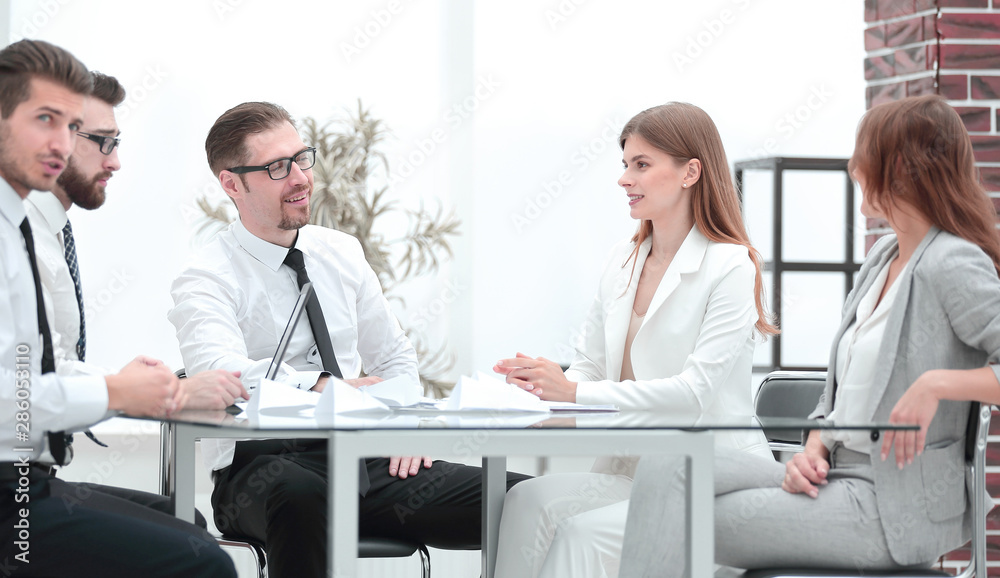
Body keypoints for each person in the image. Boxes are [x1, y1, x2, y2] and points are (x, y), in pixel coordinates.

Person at [618, 94, 1000, 577]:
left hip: (889, 507)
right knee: (668, 463)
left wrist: (937, 385)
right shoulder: (884, 257)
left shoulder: (954, 263)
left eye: (865, 151)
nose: (853, 164)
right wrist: (814, 446)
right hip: (835, 472)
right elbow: (839, 390)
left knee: (682, 515)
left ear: (900, 166)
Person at [168, 101, 530, 578]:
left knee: (524, 500)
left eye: (301, 158)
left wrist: (403, 427)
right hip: (264, 471)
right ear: (232, 184)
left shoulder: (339, 252)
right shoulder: (205, 278)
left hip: (366, 462)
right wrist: (322, 387)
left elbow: (395, 357)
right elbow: (224, 376)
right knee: (304, 496)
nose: (300, 178)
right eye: (277, 167)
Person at [491, 102, 779, 578]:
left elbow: (690, 397)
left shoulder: (730, 266)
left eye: (641, 165)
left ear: (691, 172)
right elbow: (589, 370)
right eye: (625, 164)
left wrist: (574, 392)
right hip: (635, 472)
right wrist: (539, 392)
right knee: (525, 499)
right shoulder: (622, 260)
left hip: (711, 480)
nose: (624, 179)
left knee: (581, 535)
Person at [0, 39, 236, 577]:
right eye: (45, 119)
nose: (59, 141)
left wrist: (128, 385)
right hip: (10, 493)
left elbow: (34, 370)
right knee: (205, 563)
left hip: (24, 479)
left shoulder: (20, 229)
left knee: (187, 525)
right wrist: (117, 391)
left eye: (67, 125)